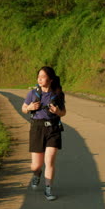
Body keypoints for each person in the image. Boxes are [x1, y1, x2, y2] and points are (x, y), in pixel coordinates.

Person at [21, 66, 66, 201]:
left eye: (43, 76)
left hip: (53, 129)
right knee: (36, 165)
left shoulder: (58, 94)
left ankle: (48, 189)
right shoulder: (33, 93)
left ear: (50, 79)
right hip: (37, 129)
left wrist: (57, 112)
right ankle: (37, 174)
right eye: (38, 76)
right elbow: (23, 109)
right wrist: (30, 107)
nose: (39, 79)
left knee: (49, 161)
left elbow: (63, 112)